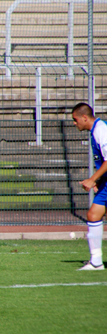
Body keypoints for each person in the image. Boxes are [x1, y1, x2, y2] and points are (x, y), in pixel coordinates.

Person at [72, 102, 107, 270]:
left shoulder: (101, 129)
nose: (74, 123)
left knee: (94, 214)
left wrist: (93, 179)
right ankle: (96, 262)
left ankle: (96, 262)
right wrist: (99, 181)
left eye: (75, 119)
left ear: (84, 117)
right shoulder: (96, 130)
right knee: (93, 215)